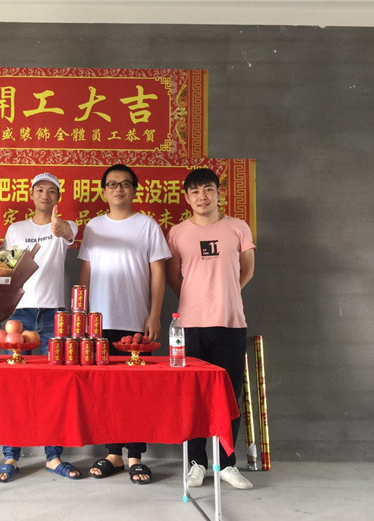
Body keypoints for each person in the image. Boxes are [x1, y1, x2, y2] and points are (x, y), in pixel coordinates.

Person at [77, 164, 171, 485]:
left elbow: (158, 272)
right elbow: (86, 272)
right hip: (98, 322)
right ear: (104, 191)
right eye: (112, 184)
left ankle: (135, 457)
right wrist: (83, 315)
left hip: (135, 319)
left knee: (135, 391)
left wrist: (154, 314)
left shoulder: (147, 225)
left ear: (134, 190)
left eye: (125, 184)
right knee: (106, 391)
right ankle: (113, 453)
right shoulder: (94, 226)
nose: (118, 189)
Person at [165, 167, 256, 490]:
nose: (202, 197)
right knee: (192, 397)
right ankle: (197, 463)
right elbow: (173, 276)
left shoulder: (237, 227)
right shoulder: (177, 233)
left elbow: (247, 270)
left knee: (230, 395)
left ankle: (227, 464)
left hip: (230, 322)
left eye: (208, 190)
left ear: (219, 193)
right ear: (186, 198)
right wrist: (197, 299)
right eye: (195, 192)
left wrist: (226, 293)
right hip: (190, 326)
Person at [0, 172, 81, 483]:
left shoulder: (67, 226)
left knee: (53, 387)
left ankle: (53, 457)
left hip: (55, 315)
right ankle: (10, 457)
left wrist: (60, 228)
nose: (45, 195)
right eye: (40, 190)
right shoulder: (16, 229)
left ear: (58, 197)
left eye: (52, 191)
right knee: (14, 386)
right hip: (19, 313)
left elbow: (68, 233)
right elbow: (4, 268)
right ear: (31, 195)